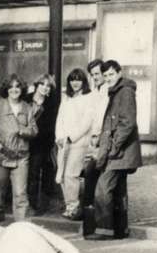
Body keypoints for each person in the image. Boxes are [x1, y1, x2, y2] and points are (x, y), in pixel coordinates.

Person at [86, 60, 141, 241]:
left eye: (111, 74)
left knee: (103, 189)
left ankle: (104, 230)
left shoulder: (124, 92)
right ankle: (120, 229)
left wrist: (114, 147)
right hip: (120, 152)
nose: (108, 78)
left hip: (119, 153)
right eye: (106, 75)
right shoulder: (117, 91)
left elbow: (127, 123)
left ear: (119, 73)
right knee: (118, 191)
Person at [0, 74, 39, 223]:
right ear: (6, 89)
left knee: (20, 195)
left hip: (21, 158)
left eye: (17, 87)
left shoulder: (27, 107)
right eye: (11, 87)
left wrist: (22, 130)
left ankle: (21, 229)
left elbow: (34, 130)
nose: (14, 89)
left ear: (22, 89)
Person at [55, 68, 94, 220]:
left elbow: (87, 122)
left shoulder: (88, 98)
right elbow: (60, 119)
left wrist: (72, 137)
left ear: (83, 81)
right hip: (63, 143)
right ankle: (69, 206)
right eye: (72, 79)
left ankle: (74, 207)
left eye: (78, 79)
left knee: (72, 175)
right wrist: (59, 137)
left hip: (78, 143)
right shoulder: (66, 99)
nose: (75, 83)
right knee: (62, 176)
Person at [81, 58, 109, 236]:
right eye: (92, 75)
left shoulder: (108, 91)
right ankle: (91, 226)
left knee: (101, 185)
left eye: (98, 74)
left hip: (103, 142)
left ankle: (101, 226)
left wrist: (97, 136)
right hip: (93, 143)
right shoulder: (95, 92)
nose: (95, 77)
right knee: (91, 182)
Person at [25, 74, 59, 216]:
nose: (45, 88)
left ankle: (41, 205)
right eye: (42, 84)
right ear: (36, 85)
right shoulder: (26, 100)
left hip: (44, 143)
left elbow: (52, 124)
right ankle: (32, 203)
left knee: (43, 173)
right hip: (26, 142)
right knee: (31, 174)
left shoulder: (52, 102)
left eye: (48, 86)